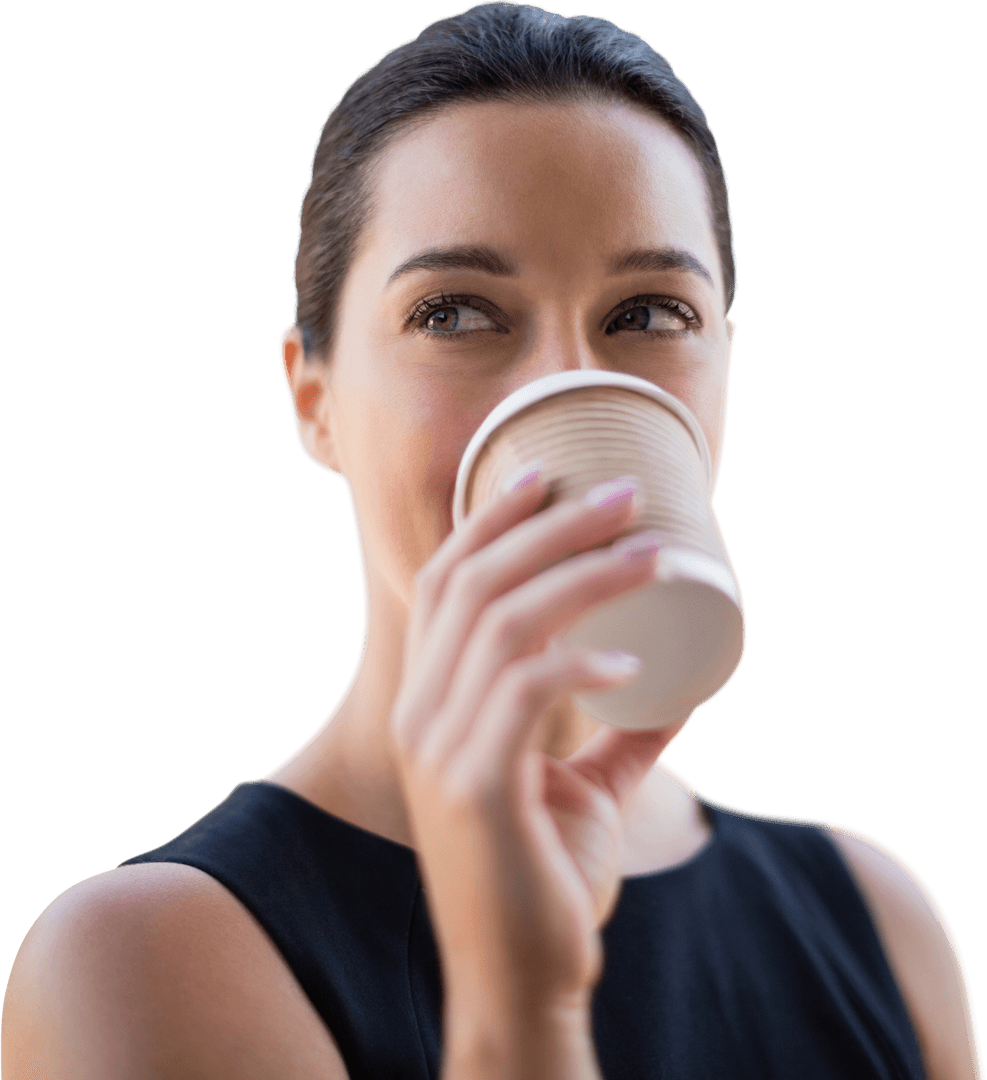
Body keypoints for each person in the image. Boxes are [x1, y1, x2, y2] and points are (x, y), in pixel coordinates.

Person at [2, 4, 982, 1078]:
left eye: (650, 315)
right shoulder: (139, 957)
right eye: (457, 314)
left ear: (727, 375)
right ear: (315, 400)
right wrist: (518, 1009)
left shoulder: (879, 920)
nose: (565, 385)